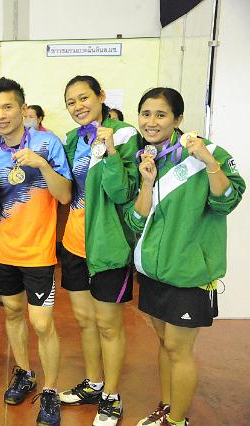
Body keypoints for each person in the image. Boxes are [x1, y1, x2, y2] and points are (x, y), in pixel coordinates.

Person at [127, 88, 245, 426]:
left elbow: (227, 201)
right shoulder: (147, 157)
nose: (151, 122)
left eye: (161, 114)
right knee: (165, 344)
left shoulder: (205, 152)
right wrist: (146, 182)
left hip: (189, 274)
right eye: (145, 114)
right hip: (153, 271)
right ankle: (167, 408)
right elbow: (136, 221)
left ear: (178, 119)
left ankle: (177, 421)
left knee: (179, 350)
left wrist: (209, 162)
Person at [0, 78, 72, 426]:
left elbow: (64, 195)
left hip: (38, 251)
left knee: (41, 322)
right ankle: (24, 373)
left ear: (23, 109)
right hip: (2, 249)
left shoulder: (48, 144)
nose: (1, 115)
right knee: (11, 312)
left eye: (8, 107)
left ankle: (50, 390)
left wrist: (43, 165)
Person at [58, 75, 139, 426]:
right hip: (74, 243)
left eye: (84, 98)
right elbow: (67, 190)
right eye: (71, 102)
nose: (78, 106)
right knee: (84, 320)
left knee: (108, 325)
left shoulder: (124, 134)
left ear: (101, 96)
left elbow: (123, 192)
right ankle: (93, 383)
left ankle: (112, 395)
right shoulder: (72, 138)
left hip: (107, 245)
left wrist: (111, 152)